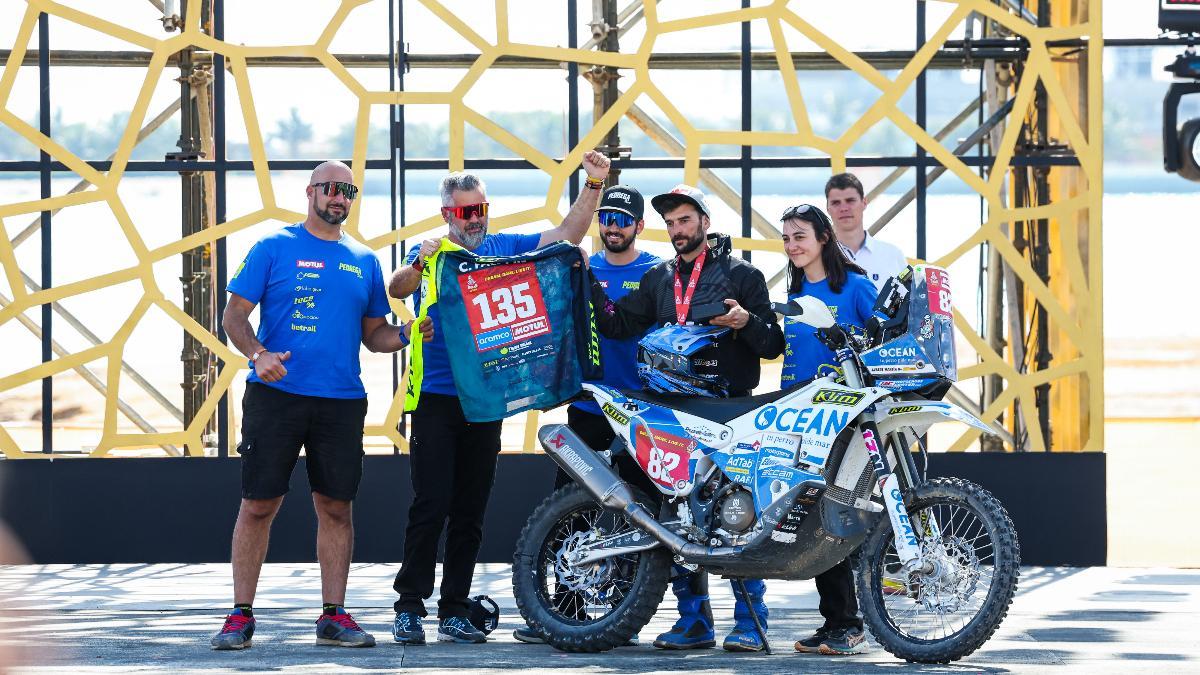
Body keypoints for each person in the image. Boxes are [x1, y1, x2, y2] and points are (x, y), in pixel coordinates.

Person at [387, 151, 612, 645]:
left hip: (485, 401)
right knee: (430, 504)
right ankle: (409, 607)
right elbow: (397, 287)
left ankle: (454, 609)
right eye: (467, 211)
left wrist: (594, 184)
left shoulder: (504, 247)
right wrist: (420, 260)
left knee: (470, 509)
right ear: (447, 213)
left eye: (482, 209)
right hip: (436, 398)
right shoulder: (433, 253)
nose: (476, 219)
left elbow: (567, 234)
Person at [212, 161, 432, 651]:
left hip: (341, 402)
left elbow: (374, 336)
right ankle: (240, 615)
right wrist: (258, 355)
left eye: (348, 191)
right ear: (310, 191)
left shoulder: (364, 260)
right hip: (276, 396)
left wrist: (407, 333)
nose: (339, 197)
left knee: (336, 507)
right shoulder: (273, 246)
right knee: (258, 505)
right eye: (331, 188)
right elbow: (233, 314)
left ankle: (334, 616)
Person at [587, 185, 784, 652]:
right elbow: (616, 324)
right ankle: (694, 622)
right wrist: (585, 280)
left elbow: (773, 344)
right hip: (672, 415)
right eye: (671, 223)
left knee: (740, 516)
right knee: (674, 517)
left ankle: (751, 623)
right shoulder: (658, 278)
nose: (677, 230)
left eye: (685, 220)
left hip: (730, 413)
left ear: (705, 223)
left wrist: (746, 323)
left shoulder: (743, 275)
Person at [512, 184, 661, 645]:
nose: (613, 227)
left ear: (639, 225)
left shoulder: (657, 271)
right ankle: (560, 610)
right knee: (570, 512)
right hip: (588, 407)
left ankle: (622, 615)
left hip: (641, 411)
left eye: (623, 220)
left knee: (639, 515)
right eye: (607, 218)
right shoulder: (581, 267)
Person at [776, 203, 876, 656]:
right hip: (801, 419)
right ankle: (835, 620)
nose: (792, 246)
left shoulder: (855, 286)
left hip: (845, 420)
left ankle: (851, 623)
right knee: (815, 518)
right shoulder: (795, 291)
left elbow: (882, 342)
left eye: (800, 236)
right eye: (786, 239)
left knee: (839, 513)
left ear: (823, 238)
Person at [824, 172, 908, 290]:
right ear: (827, 208)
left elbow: (910, 299)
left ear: (864, 203)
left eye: (850, 200)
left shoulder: (893, 255)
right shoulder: (819, 258)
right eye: (836, 203)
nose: (844, 208)